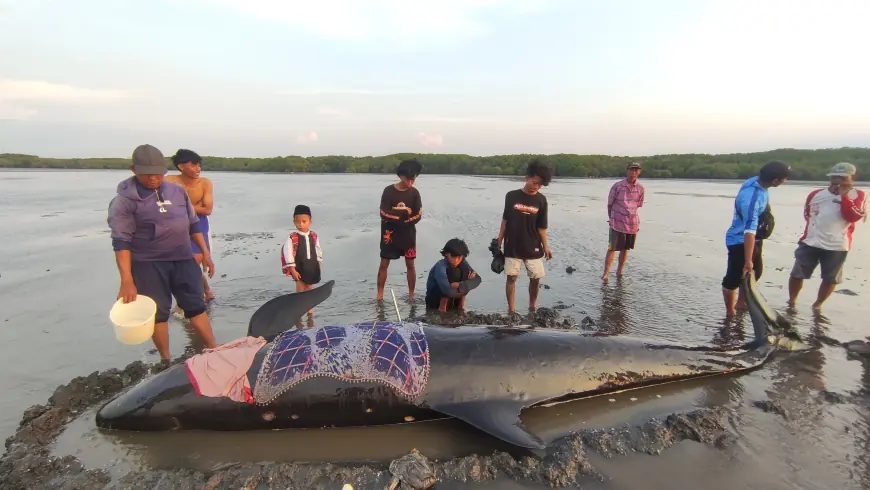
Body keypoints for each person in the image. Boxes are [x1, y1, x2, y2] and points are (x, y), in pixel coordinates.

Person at [107, 144, 217, 361]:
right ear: (133, 169)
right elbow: (121, 242)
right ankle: (166, 360)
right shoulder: (124, 201)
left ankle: (214, 348)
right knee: (159, 313)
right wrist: (126, 280)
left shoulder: (176, 192)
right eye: (147, 174)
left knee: (195, 305)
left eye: (158, 173)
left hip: (183, 258)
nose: (153, 179)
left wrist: (206, 253)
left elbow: (193, 225)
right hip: (148, 263)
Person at [787, 162, 867, 311]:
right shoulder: (815, 194)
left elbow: (853, 216)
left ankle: (818, 305)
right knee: (797, 273)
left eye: (843, 178)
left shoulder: (858, 195)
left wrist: (845, 197)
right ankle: (792, 301)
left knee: (830, 278)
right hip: (810, 242)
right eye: (834, 177)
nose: (838, 181)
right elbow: (808, 215)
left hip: (837, 245)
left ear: (852, 178)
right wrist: (812, 232)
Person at [721, 160, 791, 317]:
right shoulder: (751, 198)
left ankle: (741, 303)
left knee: (755, 273)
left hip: (755, 239)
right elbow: (749, 231)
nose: (785, 181)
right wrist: (747, 260)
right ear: (775, 181)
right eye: (784, 178)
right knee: (733, 278)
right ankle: (730, 313)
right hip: (740, 241)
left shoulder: (756, 181)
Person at [496, 158, 553, 313]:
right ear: (527, 178)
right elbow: (505, 220)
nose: (537, 186)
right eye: (534, 182)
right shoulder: (511, 196)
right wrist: (499, 240)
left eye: (540, 184)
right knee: (512, 277)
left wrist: (546, 246)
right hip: (512, 245)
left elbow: (542, 227)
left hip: (533, 245)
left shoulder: (541, 200)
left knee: (535, 278)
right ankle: (511, 310)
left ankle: (532, 306)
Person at [165, 149, 215, 303]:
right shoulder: (169, 181)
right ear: (181, 167)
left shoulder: (204, 183)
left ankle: (188, 301)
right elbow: (163, 206)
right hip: (176, 225)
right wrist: (194, 205)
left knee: (193, 261)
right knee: (183, 263)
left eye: (199, 165)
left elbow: (207, 209)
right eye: (193, 165)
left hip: (199, 224)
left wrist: (180, 206)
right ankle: (206, 290)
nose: (198, 169)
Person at [377, 158, 423, 302]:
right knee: (384, 263)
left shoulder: (415, 193)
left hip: (408, 234)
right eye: (407, 179)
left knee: (410, 264)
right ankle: (379, 295)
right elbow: (383, 212)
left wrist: (406, 219)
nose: (410, 183)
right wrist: (401, 212)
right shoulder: (389, 191)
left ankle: (411, 294)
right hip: (389, 234)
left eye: (413, 180)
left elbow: (418, 214)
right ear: (400, 176)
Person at [602, 161, 645, 281]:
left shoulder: (641, 189)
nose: (634, 172)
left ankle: (619, 271)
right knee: (612, 248)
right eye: (632, 169)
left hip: (632, 223)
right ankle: (605, 273)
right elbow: (610, 204)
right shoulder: (617, 186)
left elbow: (638, 205)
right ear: (627, 170)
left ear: (639, 172)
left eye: (636, 169)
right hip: (617, 222)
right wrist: (611, 218)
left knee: (625, 248)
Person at [425, 238, 482, 312]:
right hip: (435, 301)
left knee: (466, 272)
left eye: (459, 257)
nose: (456, 260)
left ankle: (460, 306)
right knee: (455, 274)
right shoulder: (441, 266)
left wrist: (459, 284)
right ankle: (442, 310)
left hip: (454, 297)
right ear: (446, 254)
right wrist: (467, 284)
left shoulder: (463, 263)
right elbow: (447, 291)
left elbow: (477, 279)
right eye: (453, 256)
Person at [281, 204, 324, 293]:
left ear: (310, 222)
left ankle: (309, 307)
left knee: (309, 289)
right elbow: (288, 253)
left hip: (311, 267)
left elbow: (318, 250)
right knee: (300, 289)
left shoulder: (314, 236)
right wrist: (292, 270)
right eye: (298, 222)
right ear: (294, 222)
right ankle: (300, 306)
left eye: (304, 221)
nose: (301, 224)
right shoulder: (292, 237)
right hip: (299, 268)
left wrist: (318, 265)